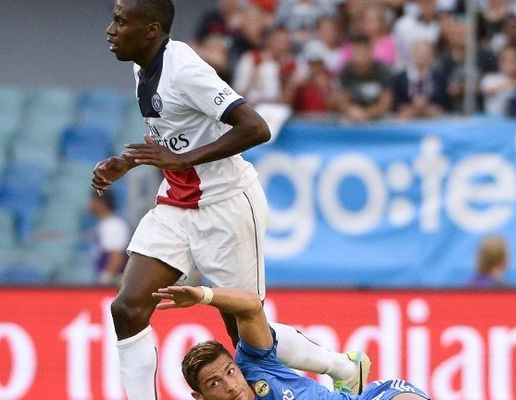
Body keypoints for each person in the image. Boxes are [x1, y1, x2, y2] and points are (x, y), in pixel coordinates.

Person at [96, 1, 365, 398]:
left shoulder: (185, 70)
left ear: (151, 29)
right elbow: (172, 135)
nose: (110, 29)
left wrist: (184, 159)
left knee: (246, 334)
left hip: (226, 206)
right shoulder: (143, 66)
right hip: (176, 203)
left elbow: (256, 128)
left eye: (120, 21)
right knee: (127, 309)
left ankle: (343, 366)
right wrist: (126, 161)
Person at [153, 285, 431, 400]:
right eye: (215, 383)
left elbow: (251, 306)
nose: (231, 386)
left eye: (229, 371)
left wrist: (203, 295)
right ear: (199, 397)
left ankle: (341, 367)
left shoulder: (252, 364)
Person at [88, 190, 131, 286]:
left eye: (92, 200)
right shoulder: (105, 224)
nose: (89, 204)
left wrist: (107, 279)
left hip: (114, 283)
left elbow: (116, 255)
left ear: (100, 202)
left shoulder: (114, 225)